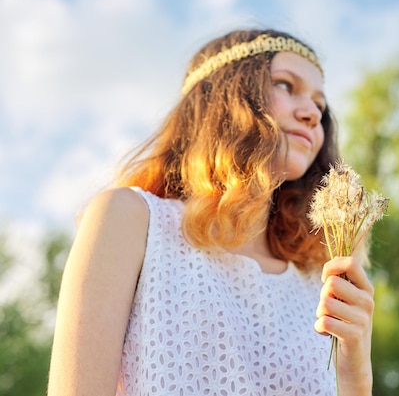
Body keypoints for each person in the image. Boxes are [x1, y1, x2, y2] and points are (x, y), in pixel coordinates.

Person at [47, 28, 375, 396]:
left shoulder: (317, 278)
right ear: (221, 95)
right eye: (286, 85)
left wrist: (356, 378)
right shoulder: (132, 220)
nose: (313, 114)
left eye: (320, 103)